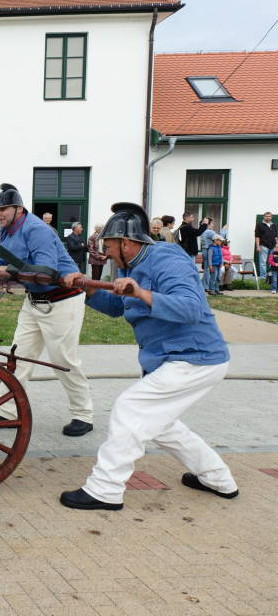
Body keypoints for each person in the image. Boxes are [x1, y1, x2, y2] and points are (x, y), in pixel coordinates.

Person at [59, 202, 238, 511]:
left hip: (195, 357)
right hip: (173, 360)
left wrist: (141, 292)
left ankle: (105, 489)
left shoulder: (166, 258)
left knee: (131, 408)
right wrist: (86, 289)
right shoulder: (130, 267)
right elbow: (119, 307)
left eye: (110, 246)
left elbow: (191, 307)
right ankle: (218, 479)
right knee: (164, 426)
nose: (107, 252)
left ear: (127, 243)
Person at [0, 183, 94, 437]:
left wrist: (6, 272)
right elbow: (6, 257)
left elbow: (45, 271)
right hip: (35, 300)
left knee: (63, 359)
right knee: (18, 356)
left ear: (19, 208)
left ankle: (83, 414)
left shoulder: (37, 229)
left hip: (62, 298)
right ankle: (7, 410)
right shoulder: (6, 230)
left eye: (3, 209)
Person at [255, 211, 276, 281]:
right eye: (266, 216)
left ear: (271, 217)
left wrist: (277, 245)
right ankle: (263, 278)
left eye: (269, 216)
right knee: (263, 263)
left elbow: (275, 236)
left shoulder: (273, 225)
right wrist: (258, 246)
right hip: (263, 245)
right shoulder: (259, 225)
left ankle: (271, 278)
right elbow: (257, 236)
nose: (268, 217)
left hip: (273, 246)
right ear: (264, 217)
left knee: (272, 262)